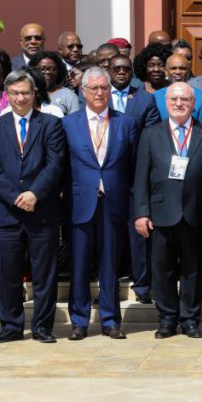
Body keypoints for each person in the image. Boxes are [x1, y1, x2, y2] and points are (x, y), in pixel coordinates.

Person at [133, 82, 202, 339]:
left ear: (194, 103)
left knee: (193, 269)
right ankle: (167, 319)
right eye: (174, 99)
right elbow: (141, 177)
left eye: (185, 99)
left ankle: (191, 319)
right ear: (166, 102)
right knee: (162, 270)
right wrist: (141, 212)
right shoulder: (151, 134)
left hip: (196, 212)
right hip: (160, 213)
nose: (179, 104)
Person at [62, 67, 140, 340]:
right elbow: (63, 167)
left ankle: (110, 320)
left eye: (103, 88)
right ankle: (79, 321)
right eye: (93, 88)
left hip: (114, 202)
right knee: (80, 265)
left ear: (110, 91)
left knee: (110, 265)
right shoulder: (68, 123)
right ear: (83, 92)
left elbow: (133, 166)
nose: (99, 93)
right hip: (79, 203)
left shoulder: (126, 122)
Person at [0, 70, 65, 343]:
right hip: (7, 212)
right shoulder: (0, 125)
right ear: (7, 95)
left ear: (34, 93)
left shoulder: (50, 124)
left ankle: (42, 327)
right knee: (8, 274)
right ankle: (11, 326)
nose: (20, 98)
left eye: (25, 92)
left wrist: (34, 193)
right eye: (14, 93)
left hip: (42, 212)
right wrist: (17, 196)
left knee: (44, 274)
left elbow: (56, 163)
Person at [105, 53, 161, 303]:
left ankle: (142, 286)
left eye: (125, 68)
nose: (120, 72)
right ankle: (108, 286)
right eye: (116, 68)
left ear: (132, 72)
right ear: (108, 70)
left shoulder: (144, 99)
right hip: (104, 178)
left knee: (139, 236)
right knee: (108, 237)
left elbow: (151, 138)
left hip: (135, 177)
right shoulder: (98, 96)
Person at [153, 54, 202, 124]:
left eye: (182, 68)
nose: (178, 72)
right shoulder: (155, 97)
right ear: (166, 71)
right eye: (173, 68)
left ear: (188, 71)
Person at [28, 51, 79, 115]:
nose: (47, 72)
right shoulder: (28, 93)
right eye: (42, 69)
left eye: (52, 69)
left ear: (58, 71)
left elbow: (75, 120)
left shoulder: (69, 95)